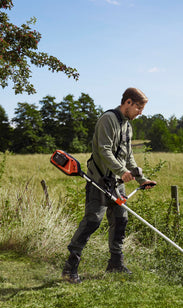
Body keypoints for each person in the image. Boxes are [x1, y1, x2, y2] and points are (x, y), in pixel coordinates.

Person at [62, 87, 157, 284]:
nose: (140, 112)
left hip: (116, 183)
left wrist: (141, 179)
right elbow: (104, 150)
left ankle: (115, 264)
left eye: (142, 108)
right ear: (128, 102)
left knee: (121, 220)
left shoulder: (127, 126)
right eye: (138, 107)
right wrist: (122, 171)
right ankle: (69, 268)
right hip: (98, 180)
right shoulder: (108, 119)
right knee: (92, 221)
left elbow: (128, 156)